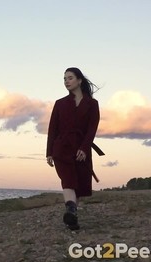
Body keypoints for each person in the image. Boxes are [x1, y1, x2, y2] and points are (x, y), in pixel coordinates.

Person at [46, 67, 102, 230]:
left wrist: (84, 148)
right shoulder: (60, 104)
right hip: (61, 148)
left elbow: (92, 129)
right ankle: (70, 209)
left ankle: (72, 216)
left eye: (70, 78)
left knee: (80, 184)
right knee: (68, 181)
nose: (66, 82)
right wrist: (49, 152)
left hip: (81, 148)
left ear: (79, 80)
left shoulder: (92, 104)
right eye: (64, 79)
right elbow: (52, 129)